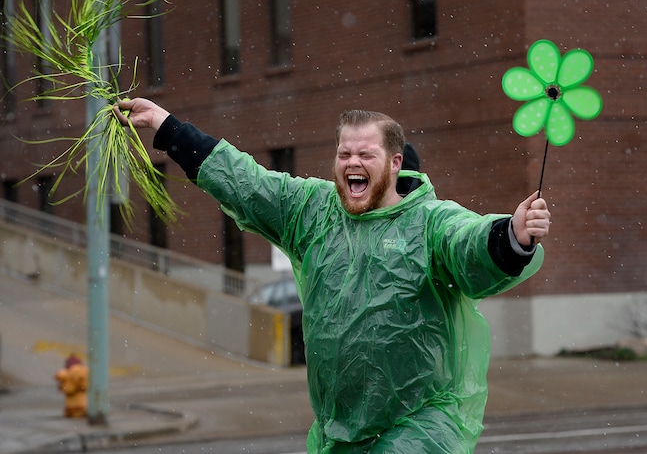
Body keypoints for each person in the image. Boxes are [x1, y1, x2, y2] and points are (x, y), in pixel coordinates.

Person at [114, 99, 551, 453]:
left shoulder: (430, 222)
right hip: (338, 432)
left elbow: (468, 243)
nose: (351, 162)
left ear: (395, 162)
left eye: (365, 154)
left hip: (422, 424)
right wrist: (168, 128)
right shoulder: (312, 211)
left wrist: (512, 235)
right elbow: (245, 183)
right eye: (344, 153)